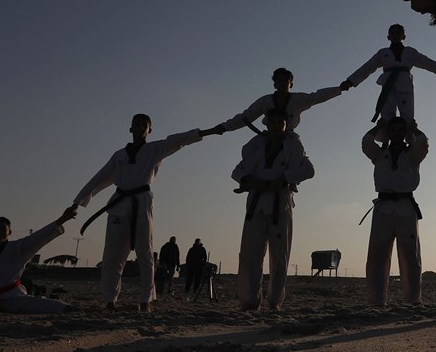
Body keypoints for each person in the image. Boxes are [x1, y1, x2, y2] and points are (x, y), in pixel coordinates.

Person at [73, 114, 222, 311]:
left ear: (149, 130)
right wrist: (77, 202)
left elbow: (179, 140)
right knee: (112, 255)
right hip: (119, 203)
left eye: (144, 124)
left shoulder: (155, 149)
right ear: (130, 128)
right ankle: (109, 300)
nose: (139, 126)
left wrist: (207, 132)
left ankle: (145, 300)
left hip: (142, 201)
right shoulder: (119, 155)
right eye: (136, 124)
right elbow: (100, 178)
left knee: (145, 251)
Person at [231, 108, 315, 310]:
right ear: (266, 122)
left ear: (287, 123)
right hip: (257, 202)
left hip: (280, 200)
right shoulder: (255, 145)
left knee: (279, 256)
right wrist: (250, 180)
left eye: (281, 121)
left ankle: (275, 301)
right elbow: (237, 170)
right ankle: (250, 301)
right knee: (250, 254)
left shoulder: (294, 145)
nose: (277, 124)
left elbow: (309, 170)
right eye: (273, 121)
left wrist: (284, 179)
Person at [361, 117, 428, 306]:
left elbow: (423, 143)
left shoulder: (412, 154)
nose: (397, 133)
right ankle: (375, 301)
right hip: (383, 206)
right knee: (377, 255)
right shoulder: (380, 154)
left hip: (406, 206)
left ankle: (413, 300)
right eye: (393, 130)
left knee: (410, 256)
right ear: (389, 133)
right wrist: (378, 127)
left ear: (404, 133)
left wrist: (414, 129)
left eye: (401, 130)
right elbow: (366, 142)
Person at [341, 23, 436, 122]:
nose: (395, 35)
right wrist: (350, 81)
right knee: (386, 116)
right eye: (392, 33)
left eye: (398, 33)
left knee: (407, 117)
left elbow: (429, 63)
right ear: (388, 37)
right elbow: (367, 67)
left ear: (404, 36)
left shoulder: (410, 52)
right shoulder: (383, 53)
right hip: (388, 85)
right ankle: (386, 145)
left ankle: (411, 145)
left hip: (404, 84)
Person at [217, 67, 342, 134]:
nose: (282, 84)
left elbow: (317, 96)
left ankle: (292, 182)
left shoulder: (298, 99)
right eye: (279, 81)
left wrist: (340, 88)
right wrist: (224, 127)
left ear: (291, 84)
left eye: (285, 81)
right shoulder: (265, 101)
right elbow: (246, 117)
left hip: (289, 137)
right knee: (250, 152)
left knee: (298, 156)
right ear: (274, 85)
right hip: (268, 136)